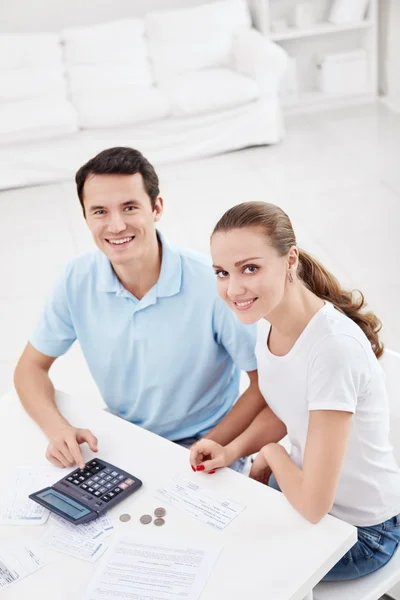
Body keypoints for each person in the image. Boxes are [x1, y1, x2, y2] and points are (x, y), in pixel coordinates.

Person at [13, 148, 285, 473]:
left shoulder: (213, 283)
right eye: (99, 211)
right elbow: (29, 369)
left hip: (208, 444)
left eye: (130, 208)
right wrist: (57, 430)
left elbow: (265, 383)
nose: (116, 225)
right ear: (85, 217)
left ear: (156, 208)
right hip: (125, 440)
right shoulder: (76, 278)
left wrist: (212, 444)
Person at [190, 201, 400, 581]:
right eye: (222, 272)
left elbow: (313, 505)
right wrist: (232, 449)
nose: (233, 288)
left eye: (250, 268)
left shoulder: (333, 349)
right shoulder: (266, 319)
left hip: (363, 533)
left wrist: (269, 452)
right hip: (303, 499)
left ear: (290, 261)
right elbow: (285, 404)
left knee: (226, 567)